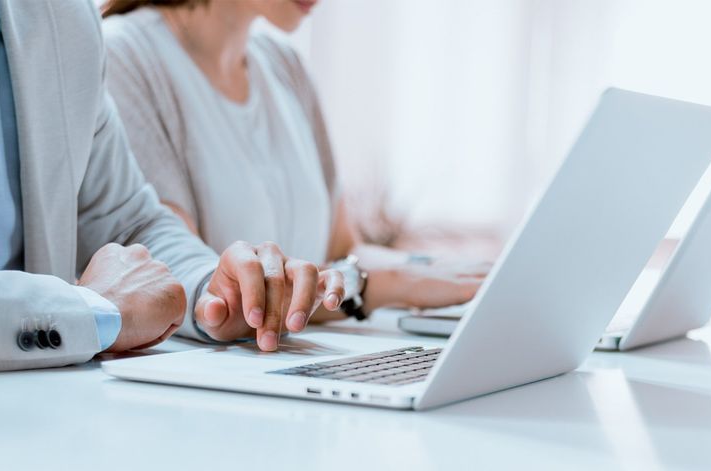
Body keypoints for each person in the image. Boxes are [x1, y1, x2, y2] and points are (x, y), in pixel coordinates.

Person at [0, 0, 345, 376]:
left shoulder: (67, 19)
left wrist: (212, 289)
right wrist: (86, 311)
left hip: (43, 434)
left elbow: (127, 219)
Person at [101, 0, 488, 326]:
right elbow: (190, 286)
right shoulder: (124, 57)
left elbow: (343, 249)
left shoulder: (284, 65)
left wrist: (454, 273)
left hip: (297, 367)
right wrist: (373, 285)